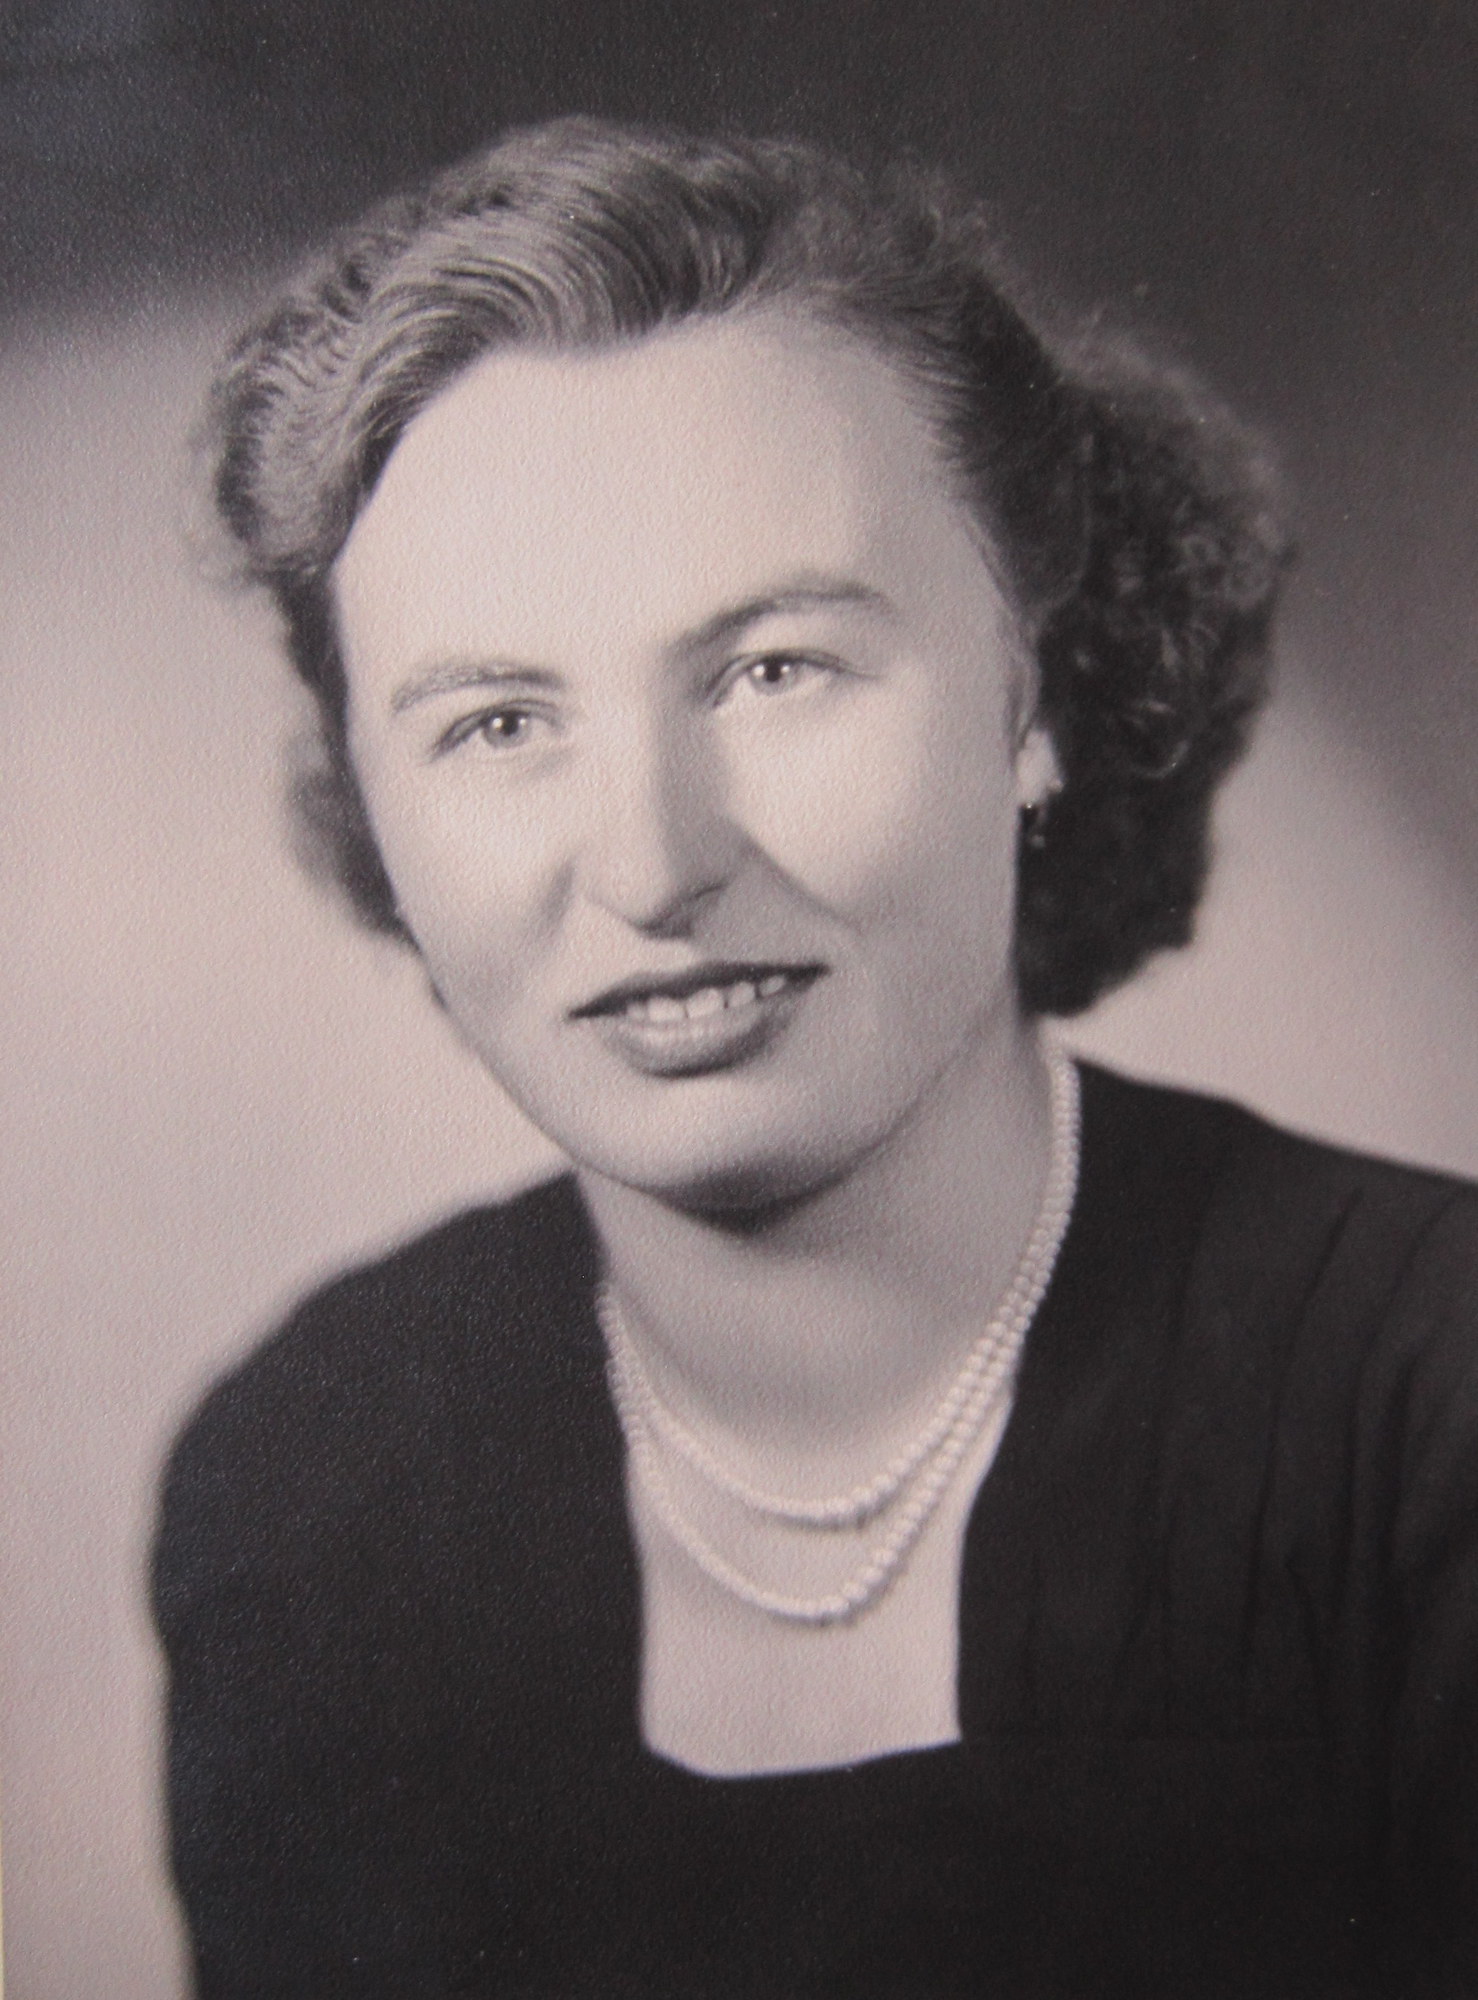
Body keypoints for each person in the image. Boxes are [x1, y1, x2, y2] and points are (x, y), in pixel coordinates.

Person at [152, 117, 1478, 1998]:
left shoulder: (1423, 1410)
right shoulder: (307, 1487)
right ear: (371, 802)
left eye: (774, 669)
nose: (652, 863)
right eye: (498, 721)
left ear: (1032, 698)